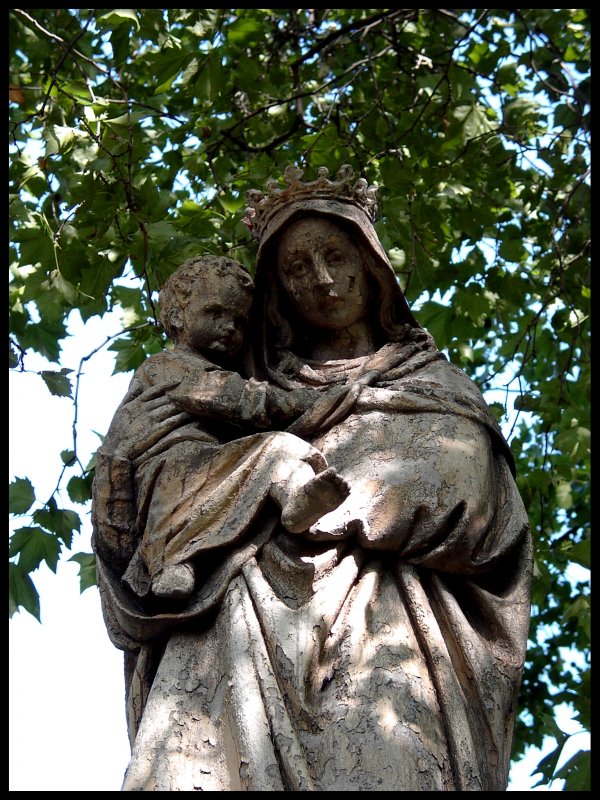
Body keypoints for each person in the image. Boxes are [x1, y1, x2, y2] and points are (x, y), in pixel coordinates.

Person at [99, 166, 532, 792]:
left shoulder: (434, 390)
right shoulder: (244, 393)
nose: (321, 280)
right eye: (297, 268)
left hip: (384, 646)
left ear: (370, 263)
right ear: (276, 290)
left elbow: (468, 497)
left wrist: (330, 506)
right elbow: (147, 504)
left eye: (335, 256)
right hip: (232, 641)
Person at [93, 254, 353, 607]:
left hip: (205, 459)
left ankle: (294, 497)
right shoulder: (168, 366)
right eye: (215, 313)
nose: (229, 328)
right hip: (165, 466)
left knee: (278, 450)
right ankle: (170, 562)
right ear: (175, 317)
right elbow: (239, 400)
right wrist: (314, 400)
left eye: (239, 321)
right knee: (179, 497)